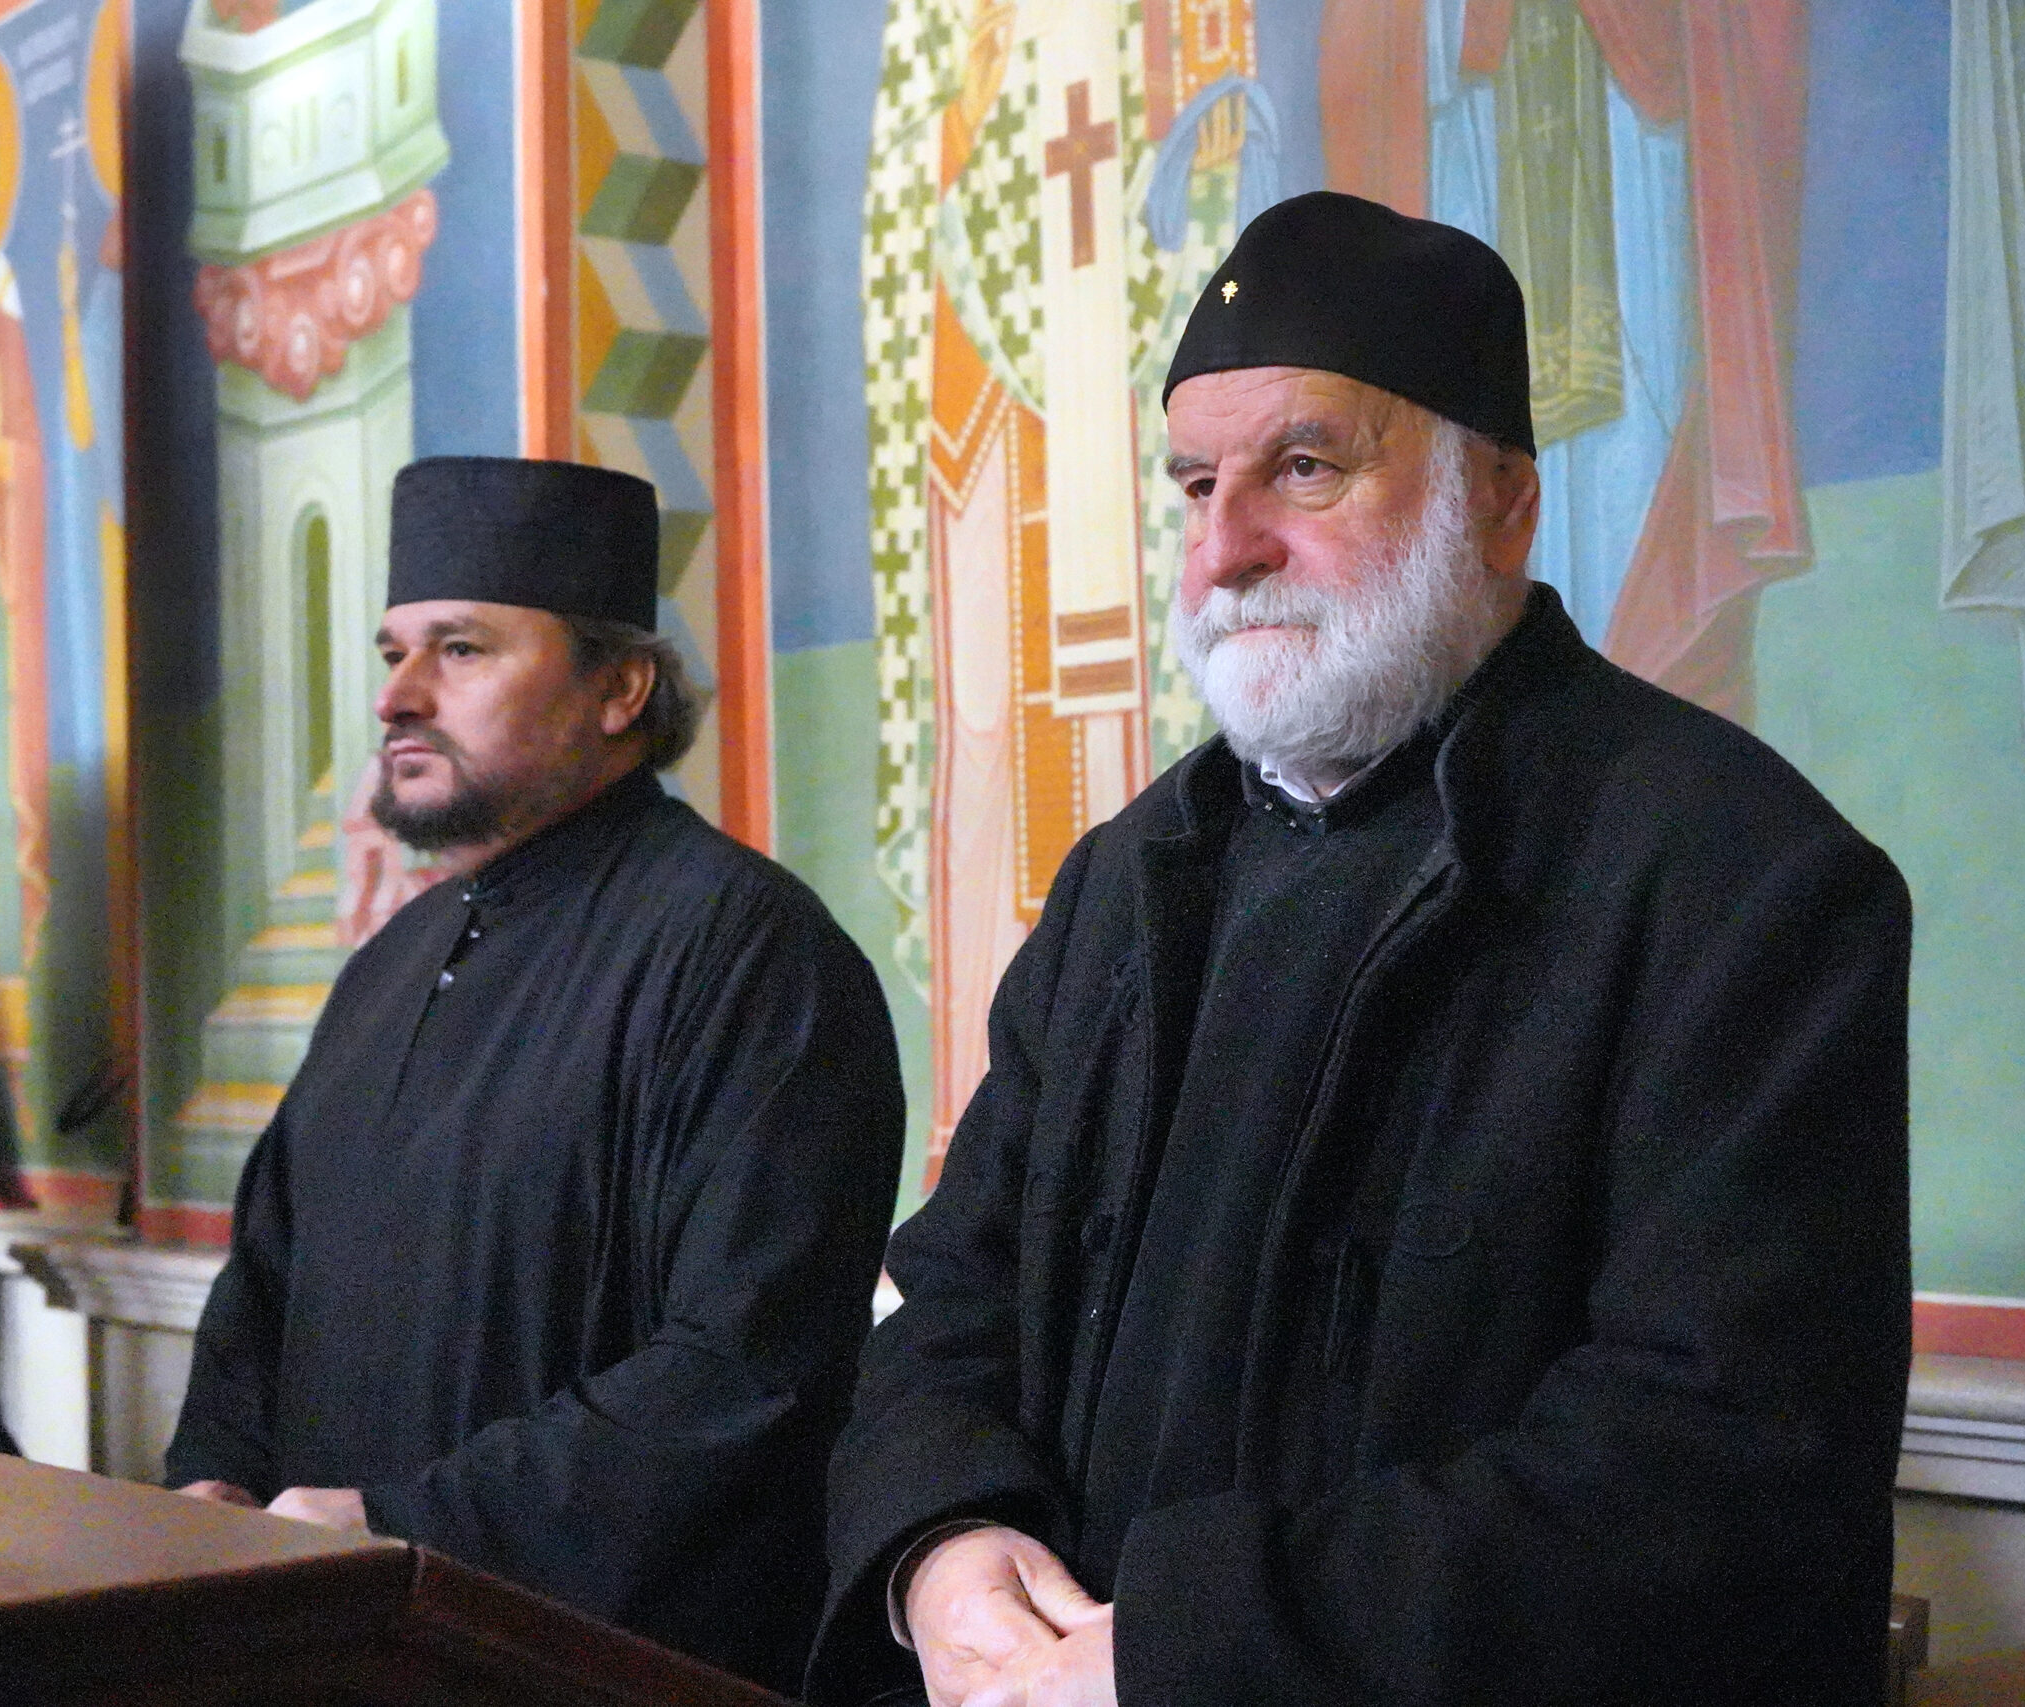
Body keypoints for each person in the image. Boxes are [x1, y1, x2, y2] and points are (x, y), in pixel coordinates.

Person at [809, 192, 1913, 1707]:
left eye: (1305, 468)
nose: (1224, 549)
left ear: (1501, 504)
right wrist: (943, 1542)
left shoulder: (1738, 876)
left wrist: (1189, 1650)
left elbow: (1718, 1461)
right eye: (1195, 485)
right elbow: (954, 1289)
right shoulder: (1126, 879)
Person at [168, 456, 905, 1695]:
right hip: (332, 1638)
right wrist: (214, 1484)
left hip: (588, 1663)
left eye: (460, 650)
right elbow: (264, 1287)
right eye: (392, 652)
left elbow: (745, 1368)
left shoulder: (750, 953)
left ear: (619, 688)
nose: (398, 696)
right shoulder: (389, 963)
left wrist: (409, 1530)